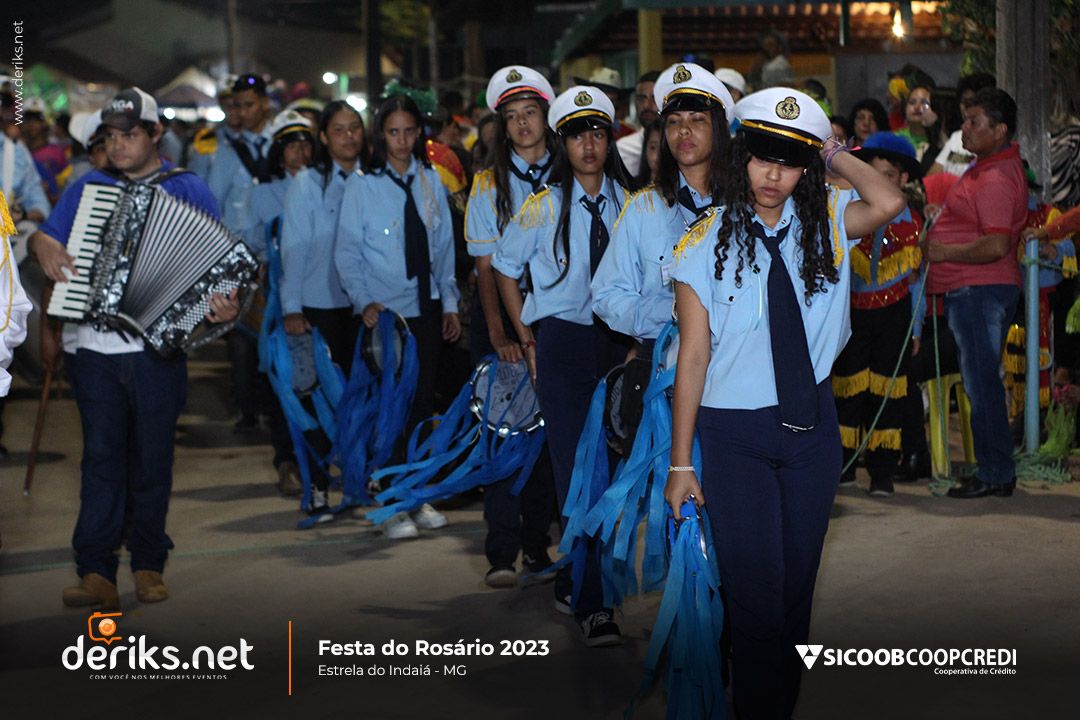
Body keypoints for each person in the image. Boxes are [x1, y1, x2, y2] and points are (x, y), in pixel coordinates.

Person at [665, 87, 904, 718]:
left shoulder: (828, 220)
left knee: (796, 595)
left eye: (790, 161)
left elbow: (889, 201)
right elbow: (693, 356)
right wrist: (681, 463)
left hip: (812, 431)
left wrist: (831, 152)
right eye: (762, 157)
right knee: (756, 598)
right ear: (739, 156)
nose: (773, 175)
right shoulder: (701, 240)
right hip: (733, 435)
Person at [29, 87, 240, 610]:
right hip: (92, 347)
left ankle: (148, 562)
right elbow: (46, 238)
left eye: (128, 135)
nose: (117, 146)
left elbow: (220, 269)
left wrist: (224, 305)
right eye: (110, 137)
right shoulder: (87, 187)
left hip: (156, 350)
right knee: (101, 458)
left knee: (152, 459)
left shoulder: (189, 189)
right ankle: (95, 569)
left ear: (155, 134)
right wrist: (43, 244)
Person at [493, 85, 634, 647]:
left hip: (618, 346)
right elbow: (504, 267)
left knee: (615, 471)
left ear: (609, 139)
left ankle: (577, 577)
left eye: (597, 133)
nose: (589, 145)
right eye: (577, 136)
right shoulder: (542, 206)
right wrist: (525, 335)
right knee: (579, 471)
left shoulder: (633, 204)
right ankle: (594, 604)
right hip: (563, 346)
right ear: (563, 144)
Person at [335, 94, 460, 539]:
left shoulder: (431, 180)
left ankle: (415, 492)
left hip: (425, 307)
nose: (402, 140)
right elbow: (348, 252)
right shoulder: (362, 186)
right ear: (380, 136)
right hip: (386, 312)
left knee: (422, 403)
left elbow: (443, 249)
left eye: (409, 131)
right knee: (389, 406)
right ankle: (388, 499)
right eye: (393, 132)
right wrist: (364, 300)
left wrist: (449, 303)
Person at [465, 65, 558, 588]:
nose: (523, 124)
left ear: (546, 117)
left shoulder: (568, 172)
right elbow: (485, 269)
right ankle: (501, 550)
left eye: (531, 113)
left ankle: (537, 547)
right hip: (502, 320)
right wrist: (499, 334)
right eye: (512, 116)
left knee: (548, 438)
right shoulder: (488, 185)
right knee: (503, 434)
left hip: (557, 317)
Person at [922, 88, 1027, 499]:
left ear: (999, 130)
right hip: (974, 289)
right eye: (965, 120)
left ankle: (995, 472)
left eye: (974, 121)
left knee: (981, 385)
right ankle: (994, 468)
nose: (964, 128)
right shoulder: (986, 168)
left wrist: (944, 251)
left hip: (980, 290)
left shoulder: (996, 178)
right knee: (980, 382)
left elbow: (997, 244)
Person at [594, 62, 734, 351]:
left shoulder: (743, 203)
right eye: (673, 121)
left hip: (734, 361)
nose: (684, 130)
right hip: (666, 358)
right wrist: (673, 312)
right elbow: (607, 295)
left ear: (718, 129)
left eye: (697, 120)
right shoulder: (644, 208)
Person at [832, 132, 924, 496]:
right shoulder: (849, 211)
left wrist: (917, 328)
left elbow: (916, 283)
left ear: (903, 178)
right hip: (854, 311)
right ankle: (843, 465)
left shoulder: (912, 221)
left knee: (889, 391)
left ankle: (882, 471)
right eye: (875, 174)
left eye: (890, 175)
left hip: (895, 313)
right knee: (848, 389)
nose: (882, 181)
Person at [927, 73, 996, 177]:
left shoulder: (995, 140)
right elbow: (932, 177)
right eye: (964, 102)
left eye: (973, 102)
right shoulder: (956, 138)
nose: (967, 108)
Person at [615, 70, 660, 177]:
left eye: (654, 98)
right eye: (641, 99)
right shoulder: (623, 149)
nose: (646, 105)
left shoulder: (680, 145)